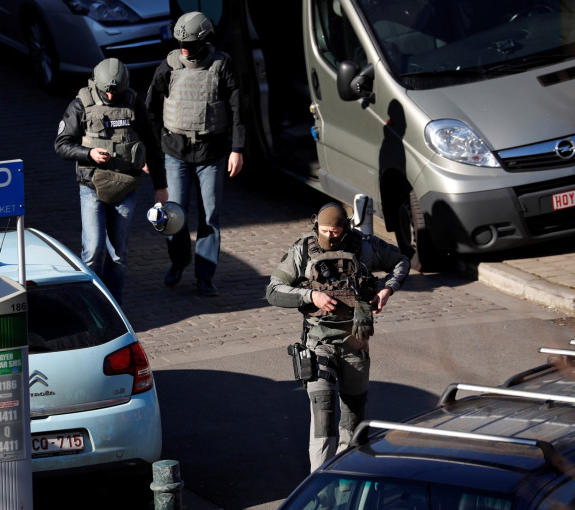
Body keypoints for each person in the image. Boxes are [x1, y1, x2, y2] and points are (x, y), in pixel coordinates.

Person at [266, 202, 410, 472]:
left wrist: (386, 290)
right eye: (324, 230)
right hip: (318, 343)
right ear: (315, 226)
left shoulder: (364, 247)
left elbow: (401, 261)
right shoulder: (303, 250)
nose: (330, 236)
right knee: (323, 410)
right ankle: (320, 480)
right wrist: (311, 295)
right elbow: (273, 291)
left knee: (354, 417)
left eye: (335, 231)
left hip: (355, 344)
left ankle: (345, 479)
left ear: (345, 228)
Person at [145, 11, 245, 297]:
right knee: (173, 215)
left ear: (204, 41)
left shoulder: (221, 65)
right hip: (175, 151)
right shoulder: (169, 66)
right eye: (181, 42)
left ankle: (205, 275)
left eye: (189, 42)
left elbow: (238, 110)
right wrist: (154, 149)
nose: (184, 47)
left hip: (211, 153)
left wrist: (237, 149)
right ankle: (178, 261)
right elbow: (150, 109)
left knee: (210, 216)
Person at [55, 57, 168, 304]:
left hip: (125, 185)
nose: (109, 96)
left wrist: (160, 186)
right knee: (93, 251)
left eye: (114, 92)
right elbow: (61, 145)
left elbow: (152, 144)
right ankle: (90, 303)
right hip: (91, 186)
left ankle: (113, 303)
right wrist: (89, 153)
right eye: (105, 91)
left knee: (118, 254)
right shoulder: (80, 105)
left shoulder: (133, 103)